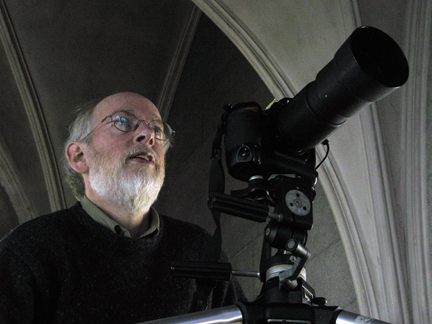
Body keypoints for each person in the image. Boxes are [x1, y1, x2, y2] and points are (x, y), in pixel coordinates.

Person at [0, 92, 244, 323]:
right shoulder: (28, 251)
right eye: (123, 122)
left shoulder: (201, 251)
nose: (148, 134)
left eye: (157, 129)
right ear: (79, 157)